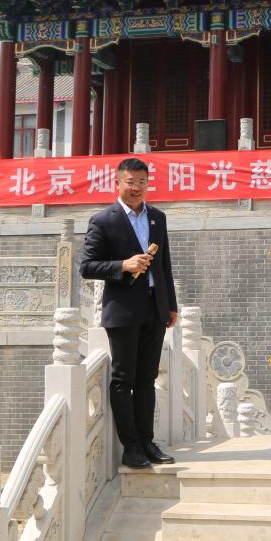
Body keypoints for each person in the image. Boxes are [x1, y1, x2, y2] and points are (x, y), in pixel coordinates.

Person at [81, 157, 178, 469]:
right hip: (122, 311)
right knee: (124, 379)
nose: (136, 188)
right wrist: (123, 265)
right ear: (117, 183)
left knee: (147, 378)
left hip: (154, 307)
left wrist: (171, 305)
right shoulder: (103, 220)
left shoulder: (157, 218)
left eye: (142, 182)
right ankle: (131, 446)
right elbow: (87, 266)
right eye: (130, 182)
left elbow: (164, 265)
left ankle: (148, 441)